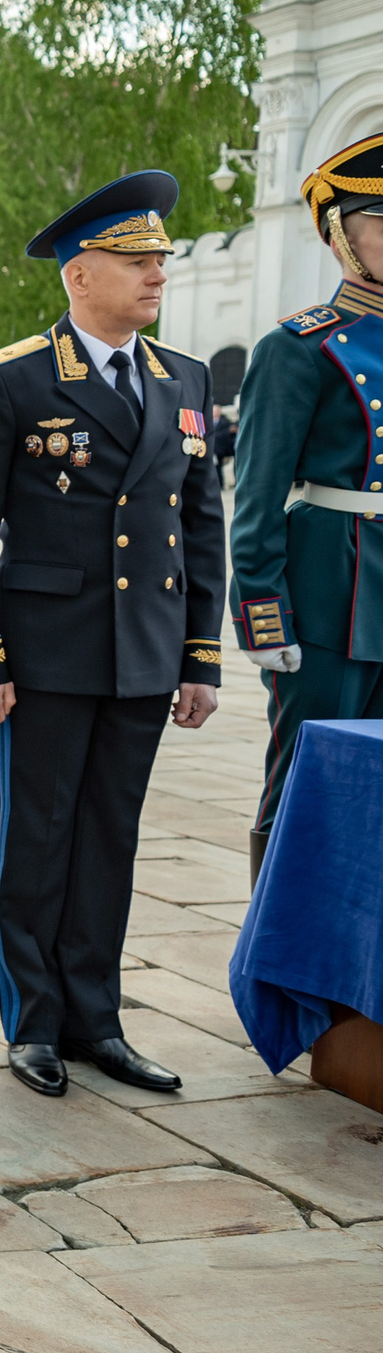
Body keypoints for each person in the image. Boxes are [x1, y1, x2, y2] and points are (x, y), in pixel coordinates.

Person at [0, 171, 223, 1098]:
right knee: (42, 838)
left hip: (143, 646)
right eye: (136, 261)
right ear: (78, 275)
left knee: (110, 837)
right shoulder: (13, 378)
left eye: (160, 260)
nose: (156, 275)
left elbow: (200, 522)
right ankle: (36, 1021)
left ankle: (100, 1018)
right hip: (48, 651)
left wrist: (200, 656)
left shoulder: (186, 378)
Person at [229, 135, 383, 881]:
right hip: (331, 596)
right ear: (340, 237)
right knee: (306, 783)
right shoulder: (298, 348)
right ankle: (281, 973)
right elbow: (255, 498)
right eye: (381, 222)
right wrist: (264, 616)